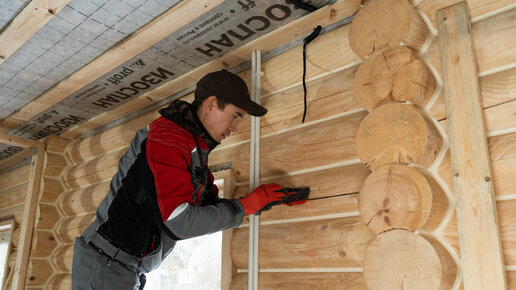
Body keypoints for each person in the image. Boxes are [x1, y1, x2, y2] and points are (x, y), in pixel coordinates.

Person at [71, 69, 309, 289]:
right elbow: (179, 221)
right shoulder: (167, 139)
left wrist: (257, 203)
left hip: (122, 267)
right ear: (212, 104)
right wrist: (245, 207)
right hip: (106, 265)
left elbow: (206, 206)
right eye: (235, 116)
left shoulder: (193, 148)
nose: (235, 127)